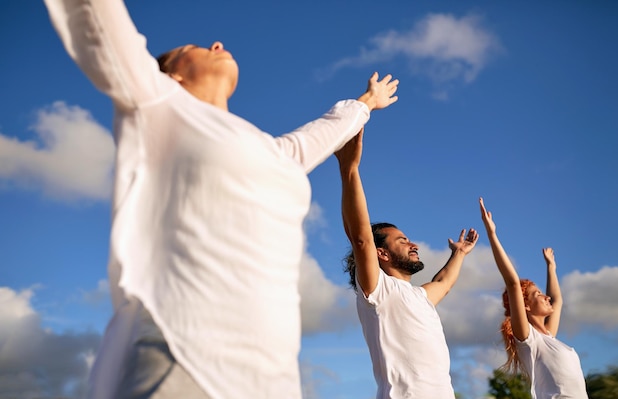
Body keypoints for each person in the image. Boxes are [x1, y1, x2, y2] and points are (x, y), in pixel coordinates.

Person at [43, 0, 400, 398]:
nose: (216, 43)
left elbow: (323, 133)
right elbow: (93, 13)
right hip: (183, 357)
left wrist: (366, 102)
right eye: (193, 48)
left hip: (272, 378)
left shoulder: (270, 152)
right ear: (172, 74)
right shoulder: (157, 102)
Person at [335, 130, 478, 398]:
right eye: (402, 241)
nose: (413, 245)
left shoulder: (420, 296)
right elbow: (361, 239)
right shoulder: (378, 290)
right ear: (383, 254)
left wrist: (459, 253)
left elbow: (443, 283)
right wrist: (349, 169)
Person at [479, 197, 588, 399]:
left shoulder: (548, 336)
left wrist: (551, 268)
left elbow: (557, 301)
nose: (546, 297)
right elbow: (512, 282)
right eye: (537, 294)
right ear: (525, 306)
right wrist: (492, 234)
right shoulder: (530, 340)